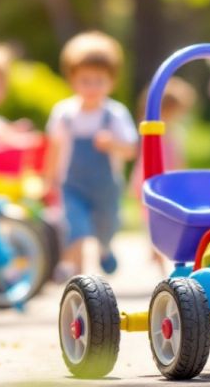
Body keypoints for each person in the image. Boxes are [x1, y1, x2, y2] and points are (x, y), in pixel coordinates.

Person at [44, 31, 138, 277]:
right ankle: (80, 276)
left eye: (99, 80)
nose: (92, 87)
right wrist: (48, 180)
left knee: (106, 226)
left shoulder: (114, 114)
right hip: (72, 184)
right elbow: (54, 148)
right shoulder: (64, 113)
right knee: (76, 228)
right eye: (86, 80)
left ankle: (105, 249)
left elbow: (130, 150)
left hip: (105, 186)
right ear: (72, 80)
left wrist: (112, 143)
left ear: (111, 81)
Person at [130, 78, 197, 275]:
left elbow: (179, 159)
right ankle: (157, 256)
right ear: (167, 108)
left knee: (161, 220)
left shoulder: (174, 131)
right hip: (150, 180)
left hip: (166, 182)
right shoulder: (151, 128)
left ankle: (156, 252)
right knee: (153, 219)